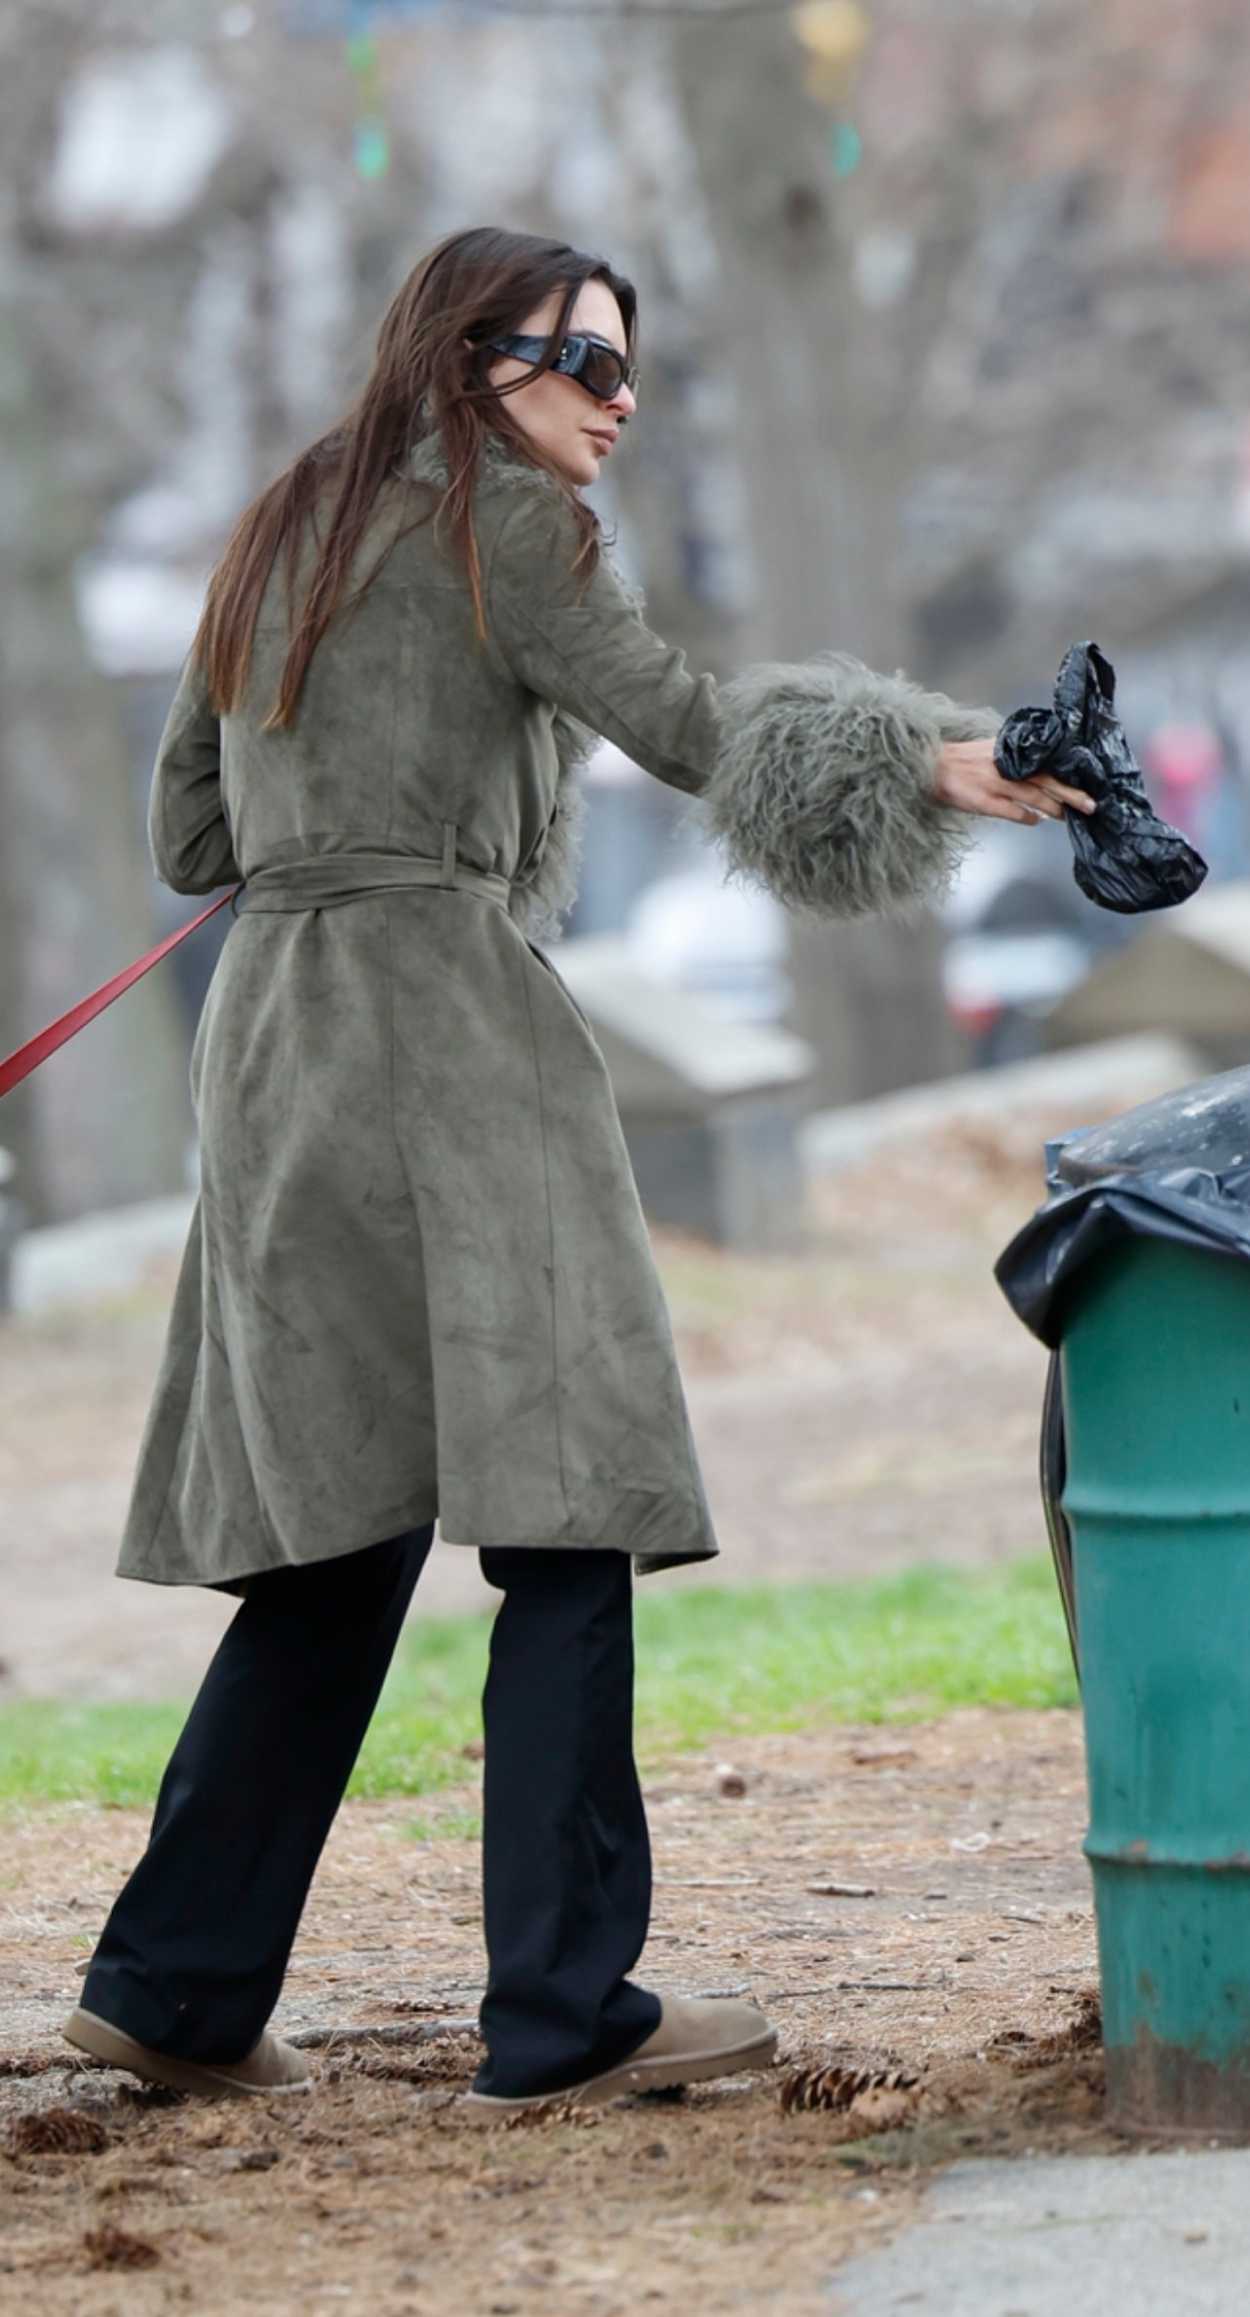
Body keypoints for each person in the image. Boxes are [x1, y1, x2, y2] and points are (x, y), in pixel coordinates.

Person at [63, 226, 1093, 2119]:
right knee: (564, 1506)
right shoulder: (504, 527)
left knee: (338, 1524)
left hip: (277, 1041)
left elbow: (192, 835)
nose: (620, 404)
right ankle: (561, 2007)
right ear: (475, 361)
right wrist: (941, 759)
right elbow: (689, 727)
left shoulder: (281, 529)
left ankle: (174, 1986)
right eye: (588, 364)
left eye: (632, 369)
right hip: (447, 1028)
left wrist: (336, 817)